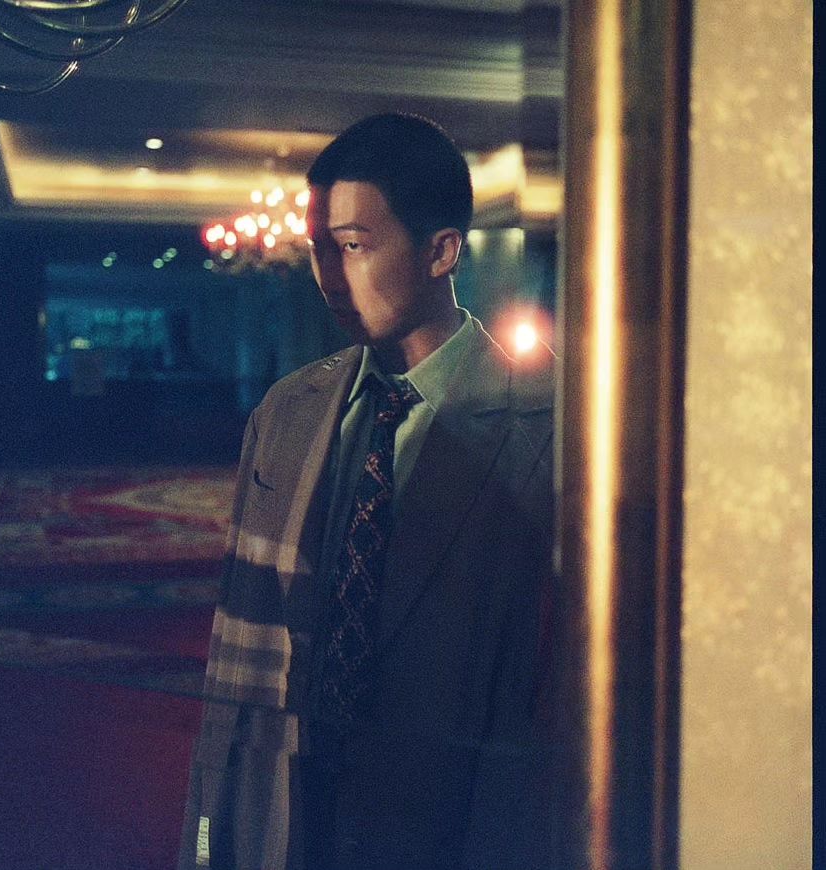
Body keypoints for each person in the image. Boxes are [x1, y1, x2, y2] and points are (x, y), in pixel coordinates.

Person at [179, 112, 554, 870]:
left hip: (445, 822)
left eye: (352, 246)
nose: (328, 276)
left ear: (441, 251)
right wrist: (211, 840)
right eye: (320, 247)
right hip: (288, 805)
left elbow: (550, 698)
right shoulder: (288, 411)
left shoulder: (548, 427)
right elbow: (236, 657)